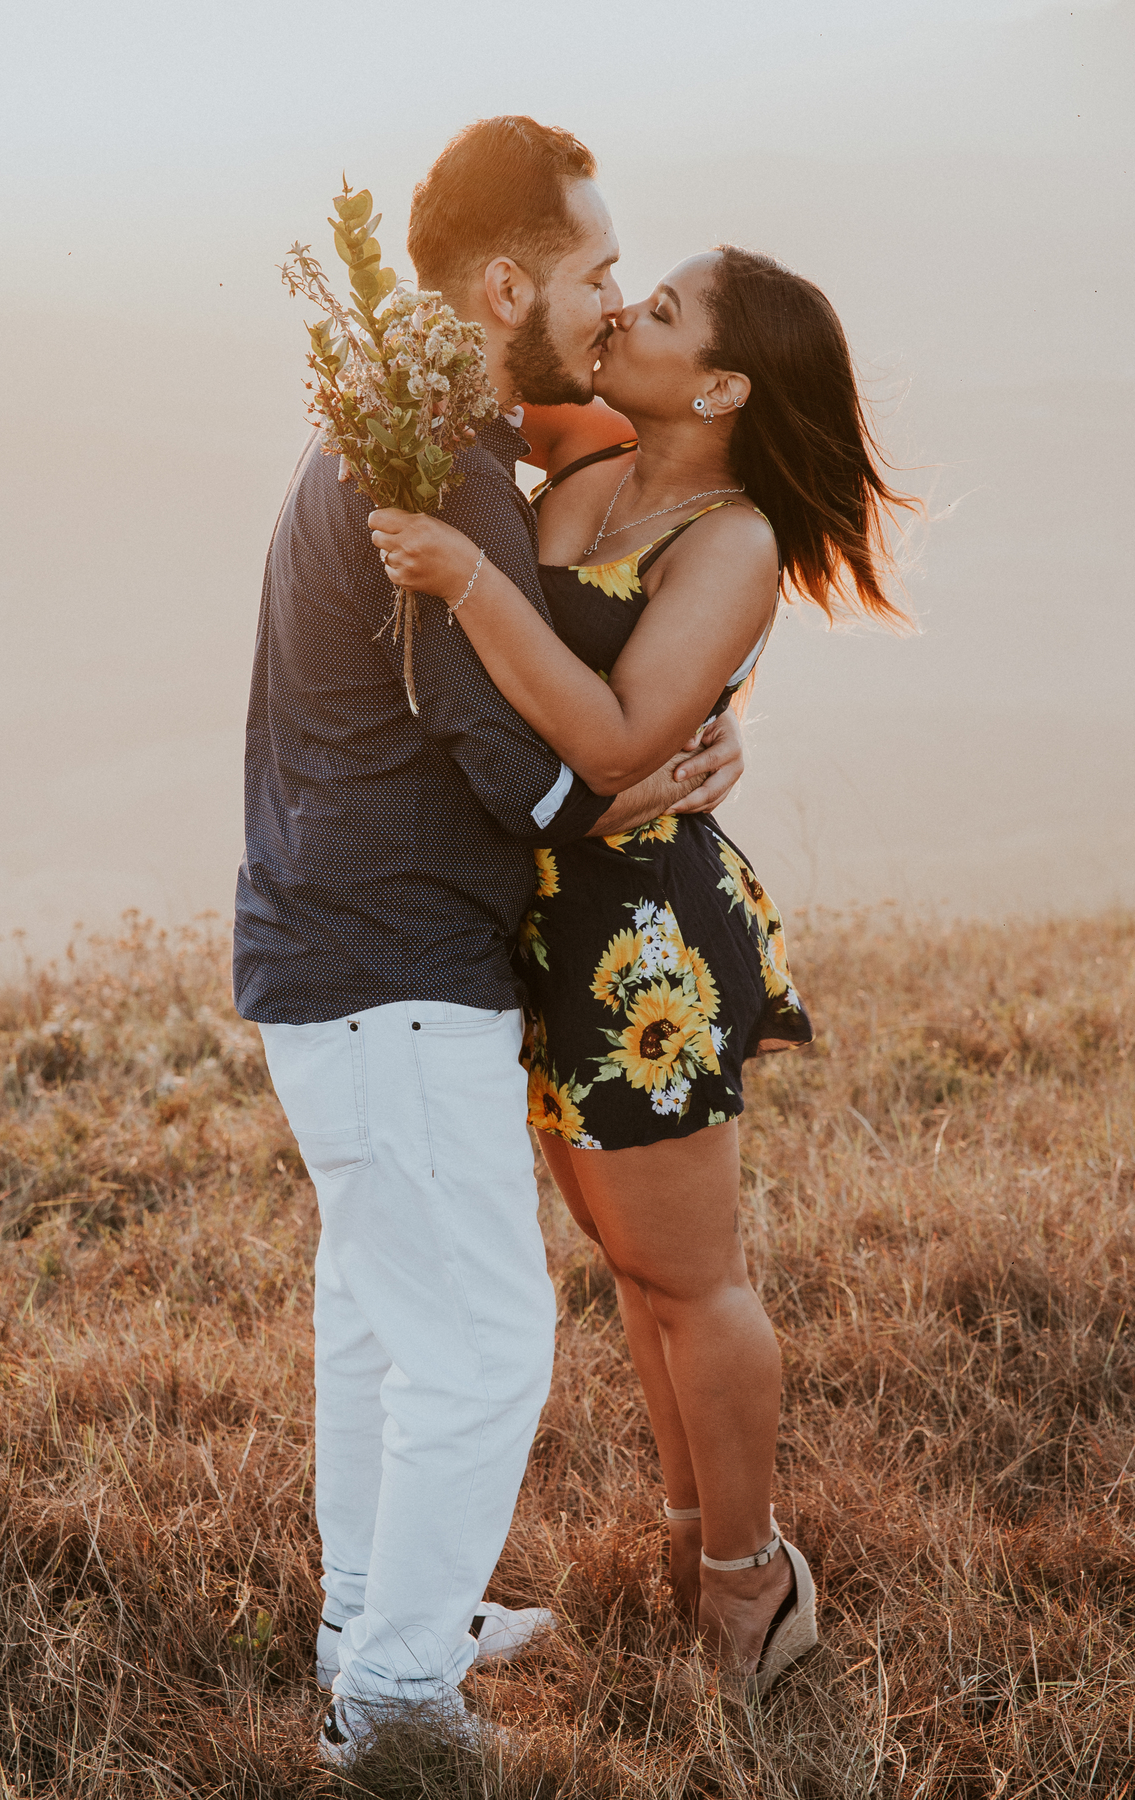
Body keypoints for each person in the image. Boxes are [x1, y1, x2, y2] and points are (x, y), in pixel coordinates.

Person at [231, 117, 746, 1766]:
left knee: (384, 1322)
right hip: (384, 972)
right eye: (597, 271)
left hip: (337, 958)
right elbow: (486, 741)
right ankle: (388, 1706)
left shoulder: (417, 429)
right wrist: (632, 788)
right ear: (509, 278)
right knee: (482, 1339)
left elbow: (581, 439)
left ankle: (378, 1615)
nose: (613, 300)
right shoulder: (426, 463)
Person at [370, 241, 915, 1690]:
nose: (628, 310)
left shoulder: (730, 540)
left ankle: (750, 1588)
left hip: (641, 945)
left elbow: (616, 744)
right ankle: (689, 1537)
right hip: (535, 915)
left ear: (724, 383)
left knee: (695, 1274)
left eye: (662, 309)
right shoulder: (598, 461)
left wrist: (477, 580)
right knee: (631, 1263)